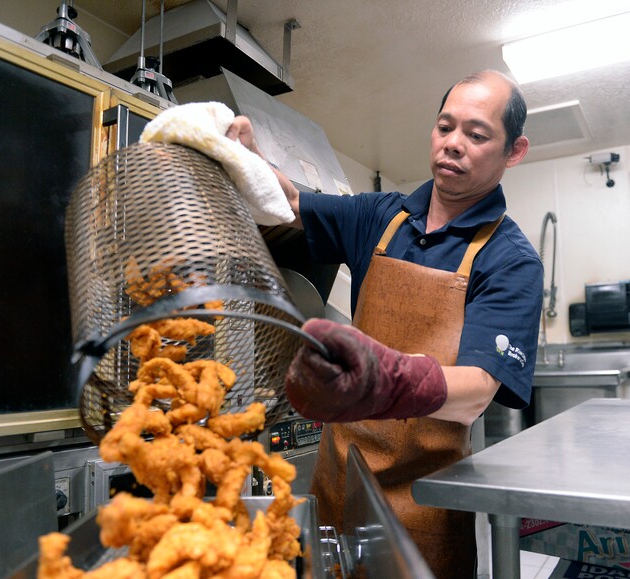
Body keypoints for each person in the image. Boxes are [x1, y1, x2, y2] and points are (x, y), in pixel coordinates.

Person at [227, 70, 543, 578]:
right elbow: (286, 204)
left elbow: (479, 390)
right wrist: (242, 158)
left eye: (476, 135)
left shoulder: (510, 260)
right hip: (339, 479)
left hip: (424, 502)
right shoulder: (382, 217)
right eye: (445, 127)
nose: (453, 144)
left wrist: (386, 379)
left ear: (514, 150)